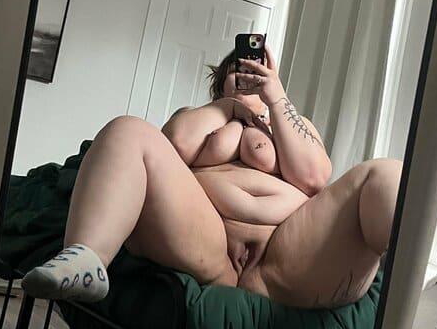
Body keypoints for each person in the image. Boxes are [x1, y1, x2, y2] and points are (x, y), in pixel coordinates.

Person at [23, 46, 401, 309]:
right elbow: (176, 144)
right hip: (209, 246)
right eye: (237, 68)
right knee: (127, 129)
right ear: (220, 82)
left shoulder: (292, 122)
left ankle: (407, 266)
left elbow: (315, 178)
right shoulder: (202, 115)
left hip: (288, 256)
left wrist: (275, 98)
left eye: (256, 67)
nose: (248, 72)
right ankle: (86, 259)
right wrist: (227, 107)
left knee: (385, 174)